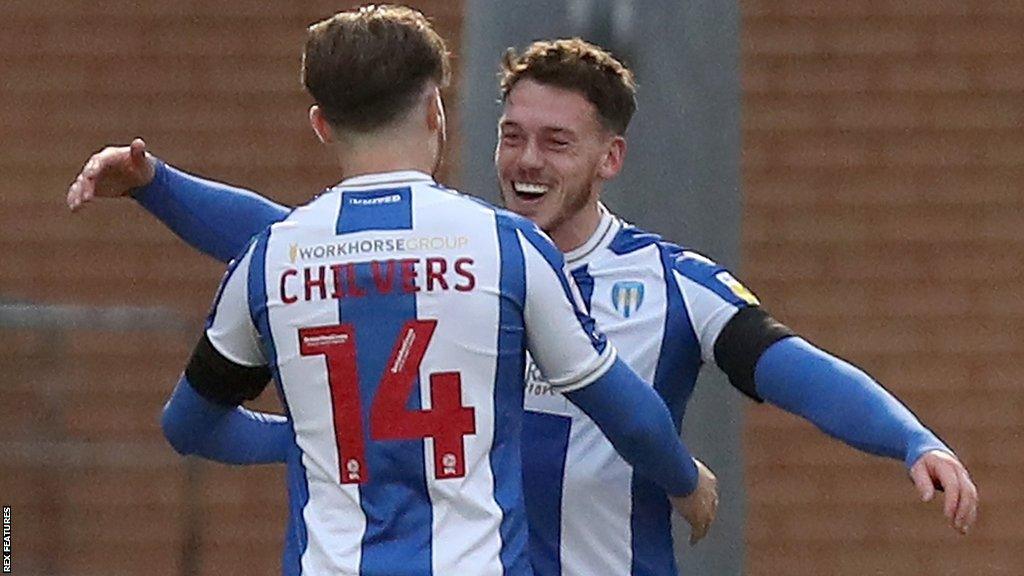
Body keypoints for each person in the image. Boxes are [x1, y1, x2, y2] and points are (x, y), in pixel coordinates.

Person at [68, 30, 978, 576]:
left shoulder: (666, 284)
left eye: (556, 142)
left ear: (609, 159)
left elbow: (792, 367)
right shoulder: (474, 252)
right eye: (511, 136)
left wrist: (911, 439)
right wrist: (157, 184)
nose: (527, 161)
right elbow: (291, 242)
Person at [73, 8, 721, 576]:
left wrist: (315, 435)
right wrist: (685, 479)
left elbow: (186, 427)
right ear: (436, 110)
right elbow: (626, 412)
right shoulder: (507, 248)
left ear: (322, 123)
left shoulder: (272, 258)